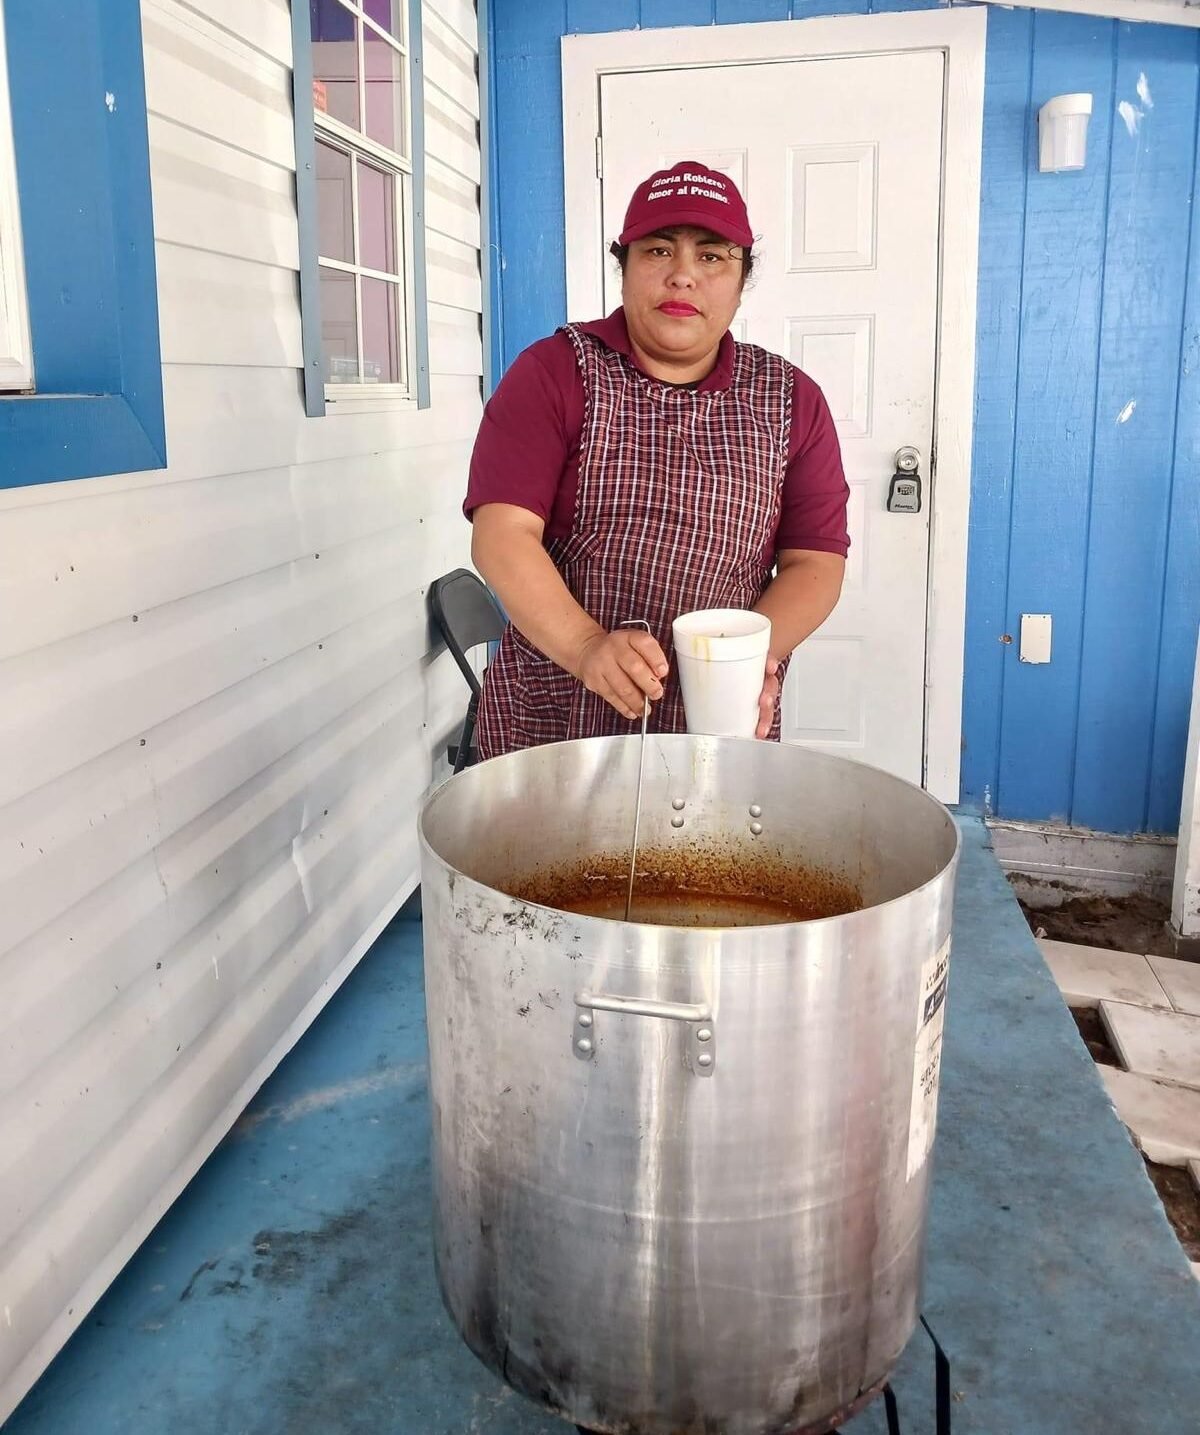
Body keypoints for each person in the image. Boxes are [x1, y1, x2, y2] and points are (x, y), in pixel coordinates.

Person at [464, 160, 849, 760]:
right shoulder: (555, 372)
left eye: (713, 256)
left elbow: (814, 561)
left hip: (718, 720)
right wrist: (587, 645)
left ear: (742, 277)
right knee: (549, 855)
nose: (683, 277)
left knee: (706, 854)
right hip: (554, 714)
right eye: (659, 251)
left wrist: (753, 658)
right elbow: (503, 534)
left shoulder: (791, 398)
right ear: (625, 266)